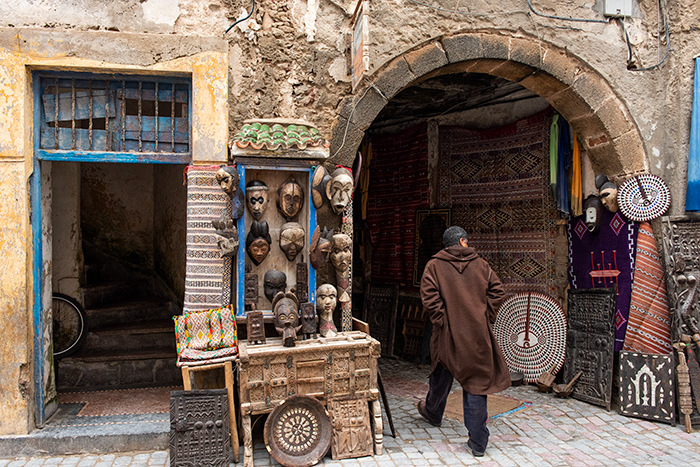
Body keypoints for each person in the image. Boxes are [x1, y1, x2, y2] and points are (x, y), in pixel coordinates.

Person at [417, 226, 510, 457]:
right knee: (475, 384)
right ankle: (478, 442)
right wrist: (484, 315)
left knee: (442, 369)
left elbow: (429, 298)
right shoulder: (481, 265)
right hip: (477, 336)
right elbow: (498, 292)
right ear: (462, 241)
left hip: (448, 334)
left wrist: (442, 321)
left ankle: (433, 411)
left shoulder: (434, 266)